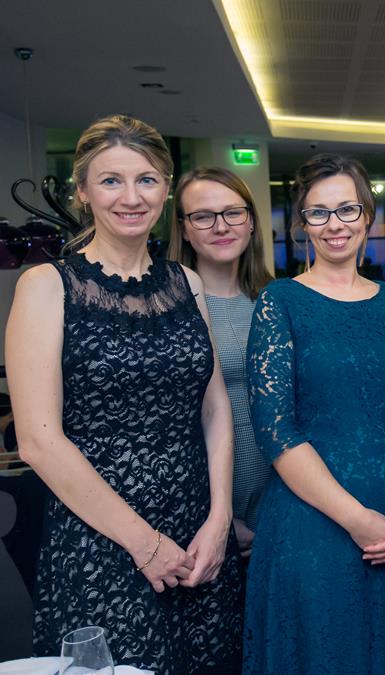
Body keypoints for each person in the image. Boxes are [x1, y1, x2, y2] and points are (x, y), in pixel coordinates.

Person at [6, 114, 242, 675]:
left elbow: (214, 411)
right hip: (102, 537)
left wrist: (219, 519)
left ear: (166, 188)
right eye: (111, 180)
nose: (131, 197)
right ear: (83, 192)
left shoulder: (186, 283)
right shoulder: (46, 285)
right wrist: (144, 544)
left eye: (147, 180)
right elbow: (38, 441)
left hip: (198, 537)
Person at [242, 154, 385, 675]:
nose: (334, 224)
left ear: (367, 214)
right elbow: (276, 430)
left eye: (346, 209)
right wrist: (356, 519)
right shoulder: (280, 301)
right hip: (314, 522)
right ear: (302, 223)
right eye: (318, 213)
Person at [168, 167, 273, 560]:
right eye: (203, 216)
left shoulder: (277, 299)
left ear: (251, 222)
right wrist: (220, 518)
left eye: (233, 212)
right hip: (205, 514)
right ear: (184, 229)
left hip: (284, 505)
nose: (221, 226)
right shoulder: (170, 309)